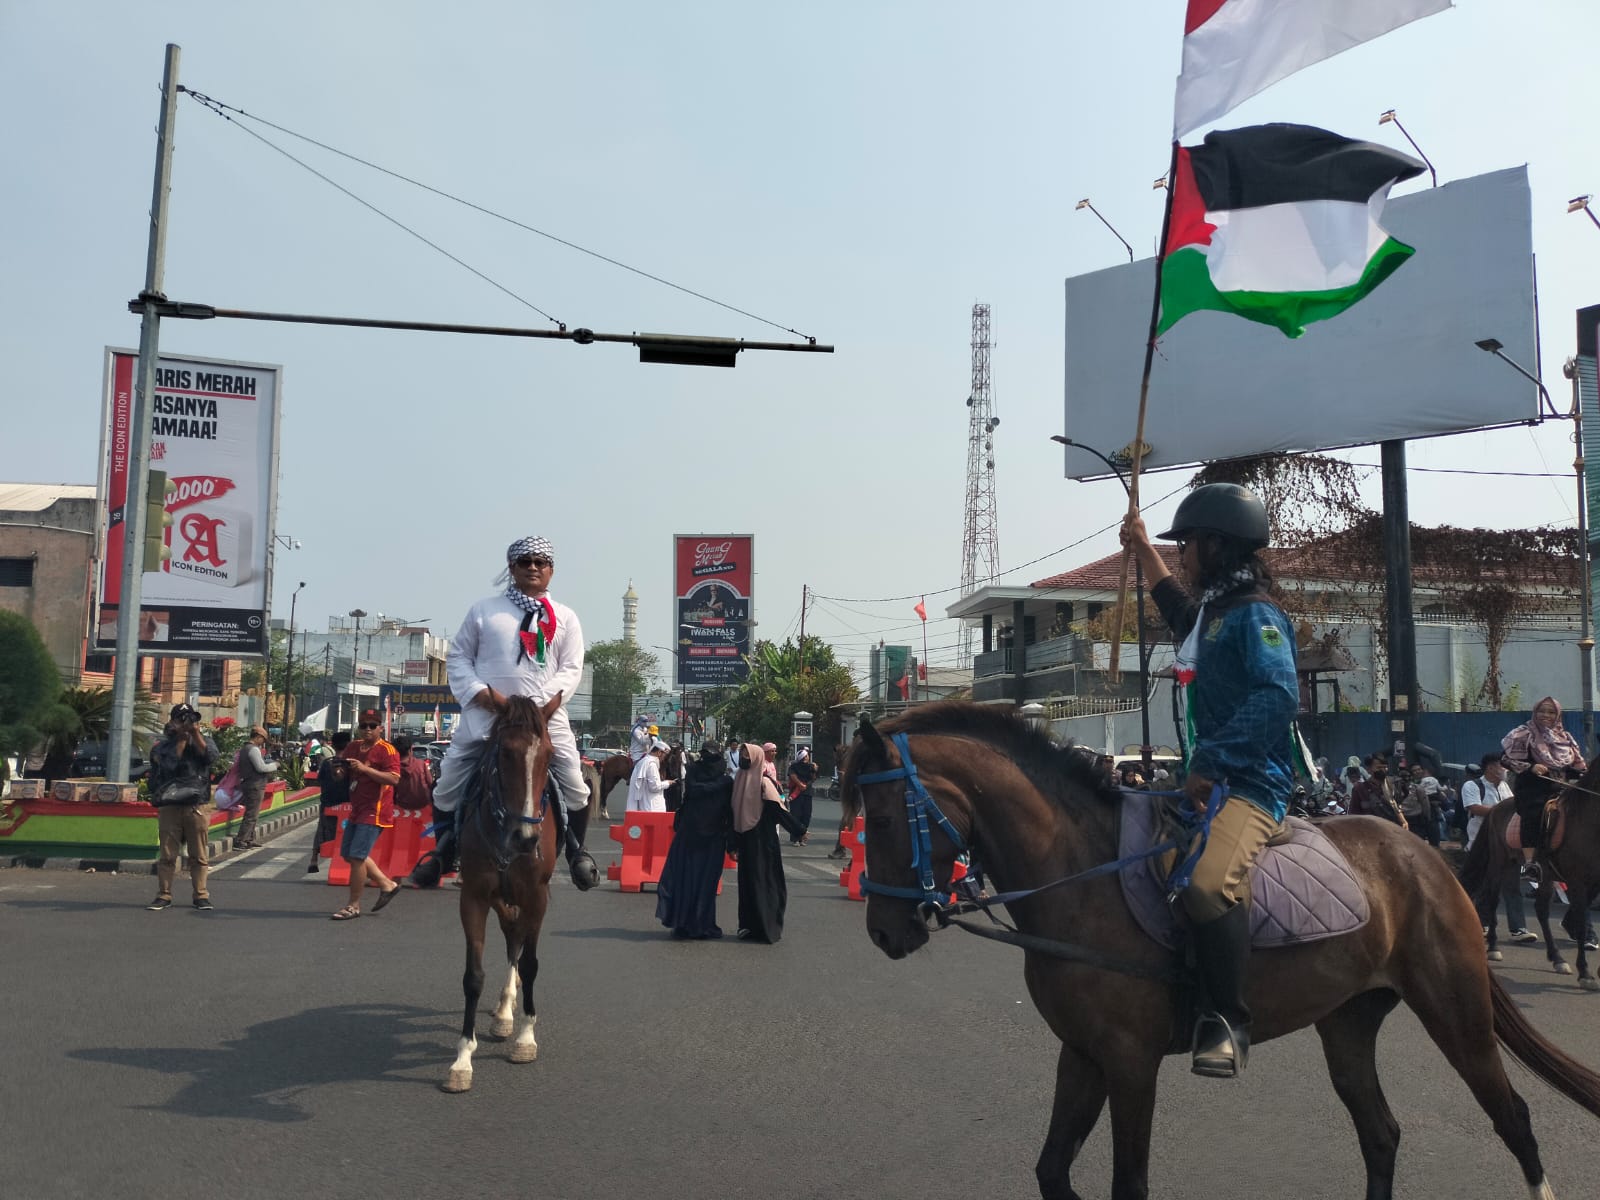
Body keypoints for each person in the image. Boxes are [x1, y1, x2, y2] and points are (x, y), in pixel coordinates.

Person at [1122, 482, 1297, 1078]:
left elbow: (1278, 696)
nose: (1183, 557)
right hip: (1209, 781)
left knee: (1203, 884)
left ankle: (1228, 1021)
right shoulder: (1214, 614)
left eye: (1188, 545)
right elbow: (1176, 608)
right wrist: (1143, 547)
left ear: (1218, 546)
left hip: (1252, 786)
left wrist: (1211, 760)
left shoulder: (1257, 615)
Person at [411, 536, 596, 890]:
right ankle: (443, 853)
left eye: (540, 562)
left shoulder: (567, 618)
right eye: (524, 561)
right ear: (511, 568)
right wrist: (482, 694)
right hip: (486, 715)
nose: (533, 568)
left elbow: (571, 668)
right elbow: (459, 657)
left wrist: (535, 707)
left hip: (545, 717)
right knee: (446, 784)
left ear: (551, 571)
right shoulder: (483, 611)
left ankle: (576, 851)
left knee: (576, 785)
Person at [1501, 696, 1585, 884]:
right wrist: (1531, 767)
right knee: (1534, 812)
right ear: (1535, 712)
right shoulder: (1523, 733)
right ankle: (1529, 865)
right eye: (1542, 711)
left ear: (1558, 715)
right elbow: (1505, 759)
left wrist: (1582, 776)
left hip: (1562, 787)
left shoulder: (1565, 738)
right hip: (1533, 788)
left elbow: (1577, 766)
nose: (1546, 715)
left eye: (1551, 712)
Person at [656, 740, 735, 939]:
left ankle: (688, 923)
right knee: (701, 881)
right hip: (704, 835)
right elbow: (698, 793)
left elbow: (697, 792)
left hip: (697, 834)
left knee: (691, 880)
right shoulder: (723, 780)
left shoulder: (695, 772)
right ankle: (696, 924)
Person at [730, 742, 808, 943]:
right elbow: (735, 815)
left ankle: (761, 927)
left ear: (756, 758)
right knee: (755, 884)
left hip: (760, 842)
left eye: (748, 756)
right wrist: (732, 844)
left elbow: (777, 812)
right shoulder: (744, 779)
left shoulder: (757, 782)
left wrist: (798, 831)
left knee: (760, 882)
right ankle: (754, 927)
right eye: (743, 755)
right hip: (753, 841)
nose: (744, 759)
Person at [146, 703, 219, 911]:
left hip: (196, 805)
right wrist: (180, 740)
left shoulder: (204, 741)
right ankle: (164, 894)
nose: (185, 723)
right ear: (172, 721)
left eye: (188, 719)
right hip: (170, 806)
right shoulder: (163, 746)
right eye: (181, 719)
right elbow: (168, 767)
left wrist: (195, 735)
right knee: (168, 855)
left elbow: (211, 758)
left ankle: (201, 895)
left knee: (199, 855)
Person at [1461, 754, 1539, 946]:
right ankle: (1480, 923)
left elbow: (1514, 808)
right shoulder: (1472, 786)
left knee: (1512, 887)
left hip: (1506, 846)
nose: (1505, 769)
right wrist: (1502, 811)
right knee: (1484, 887)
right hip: (1481, 844)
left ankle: (1518, 928)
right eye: (1501, 766)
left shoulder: (1505, 787)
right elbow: (1474, 808)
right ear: (1489, 767)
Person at [331, 709, 402, 919]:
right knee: (348, 854)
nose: (368, 729)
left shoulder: (387, 750)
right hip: (357, 809)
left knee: (358, 856)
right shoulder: (353, 747)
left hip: (376, 810)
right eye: (364, 725)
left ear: (380, 727)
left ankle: (353, 905)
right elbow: (343, 776)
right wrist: (339, 772)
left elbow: (394, 779)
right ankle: (386, 884)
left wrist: (365, 769)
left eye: (373, 725)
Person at [307, 730, 354, 874]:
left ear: (333, 744)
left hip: (328, 803)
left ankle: (314, 859)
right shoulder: (352, 764)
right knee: (347, 833)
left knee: (322, 830)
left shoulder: (327, 763)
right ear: (348, 745)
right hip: (347, 805)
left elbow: (320, 781)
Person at [230, 724, 279, 849]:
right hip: (255, 785)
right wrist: (275, 765)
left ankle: (248, 839)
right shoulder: (253, 749)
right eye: (262, 739)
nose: (262, 742)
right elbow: (261, 767)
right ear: (258, 737)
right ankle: (241, 839)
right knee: (251, 814)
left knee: (253, 814)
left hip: (249, 783)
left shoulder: (245, 748)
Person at [1348, 755, 1404, 825]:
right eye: (1379, 767)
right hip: (1372, 830)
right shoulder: (1359, 789)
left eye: (1385, 767)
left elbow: (1400, 807)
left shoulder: (1394, 784)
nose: (1383, 770)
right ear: (1368, 769)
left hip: (1394, 828)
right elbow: (1354, 814)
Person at [627, 739, 673, 812]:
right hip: (653, 807)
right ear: (659, 752)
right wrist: (667, 783)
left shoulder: (643, 761)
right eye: (664, 756)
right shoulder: (652, 765)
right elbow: (655, 787)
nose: (664, 759)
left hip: (645, 804)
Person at [392, 734, 435, 813]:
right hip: (424, 805)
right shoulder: (420, 764)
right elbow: (430, 783)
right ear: (410, 750)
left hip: (402, 807)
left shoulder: (393, 768)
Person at [785, 746, 818, 845]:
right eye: (806, 755)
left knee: (806, 815)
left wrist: (815, 770)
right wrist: (800, 784)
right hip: (796, 794)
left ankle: (802, 838)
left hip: (807, 793)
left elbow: (813, 778)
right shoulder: (794, 766)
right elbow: (792, 775)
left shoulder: (811, 766)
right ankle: (795, 838)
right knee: (796, 815)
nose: (808, 757)